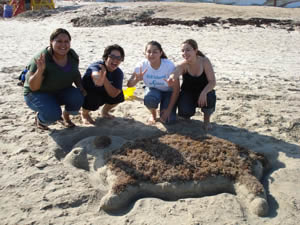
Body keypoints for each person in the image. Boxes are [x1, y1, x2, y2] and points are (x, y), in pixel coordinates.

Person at [24, 28, 85, 130]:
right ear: (51, 42)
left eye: (66, 41)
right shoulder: (42, 59)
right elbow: (33, 87)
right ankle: (41, 120)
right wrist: (40, 70)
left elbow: (75, 73)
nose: (63, 45)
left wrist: (80, 86)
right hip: (38, 93)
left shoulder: (71, 55)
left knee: (78, 97)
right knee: (52, 114)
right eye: (59, 41)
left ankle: (65, 117)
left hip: (60, 90)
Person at [166, 39, 216, 130]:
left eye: (188, 50)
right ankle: (187, 117)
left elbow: (212, 82)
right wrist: (171, 78)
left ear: (195, 50)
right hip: (188, 93)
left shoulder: (204, 61)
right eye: (183, 51)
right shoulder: (183, 65)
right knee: (185, 111)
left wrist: (204, 92)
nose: (185, 53)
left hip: (204, 93)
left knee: (210, 96)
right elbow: (176, 72)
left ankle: (206, 120)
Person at [127, 41, 180, 125]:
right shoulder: (141, 65)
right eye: (149, 52)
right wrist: (136, 80)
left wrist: (168, 110)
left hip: (168, 92)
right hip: (153, 91)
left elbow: (177, 90)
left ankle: (165, 107)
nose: (151, 54)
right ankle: (153, 114)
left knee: (169, 120)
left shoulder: (169, 66)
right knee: (150, 99)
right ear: (145, 53)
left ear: (160, 53)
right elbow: (129, 85)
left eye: (155, 52)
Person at [81, 44, 125, 125]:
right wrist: (98, 77)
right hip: (87, 93)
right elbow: (95, 75)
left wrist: (104, 79)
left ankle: (104, 112)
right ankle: (84, 114)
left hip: (103, 92)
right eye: (112, 57)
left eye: (119, 58)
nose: (115, 60)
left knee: (119, 95)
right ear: (106, 57)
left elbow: (114, 94)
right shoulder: (97, 66)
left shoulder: (118, 73)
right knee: (93, 99)